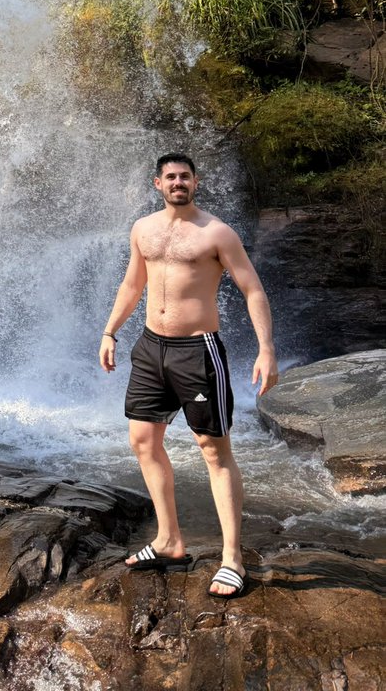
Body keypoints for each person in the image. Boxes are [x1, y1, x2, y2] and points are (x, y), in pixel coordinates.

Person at [99, 153, 278, 599]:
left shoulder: (217, 233)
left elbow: (252, 288)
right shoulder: (143, 228)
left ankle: (232, 558)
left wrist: (267, 349)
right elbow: (132, 284)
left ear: (196, 182)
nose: (178, 183)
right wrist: (110, 331)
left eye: (186, 177)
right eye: (171, 177)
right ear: (157, 183)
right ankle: (169, 540)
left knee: (214, 451)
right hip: (149, 347)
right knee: (142, 441)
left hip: (198, 352)